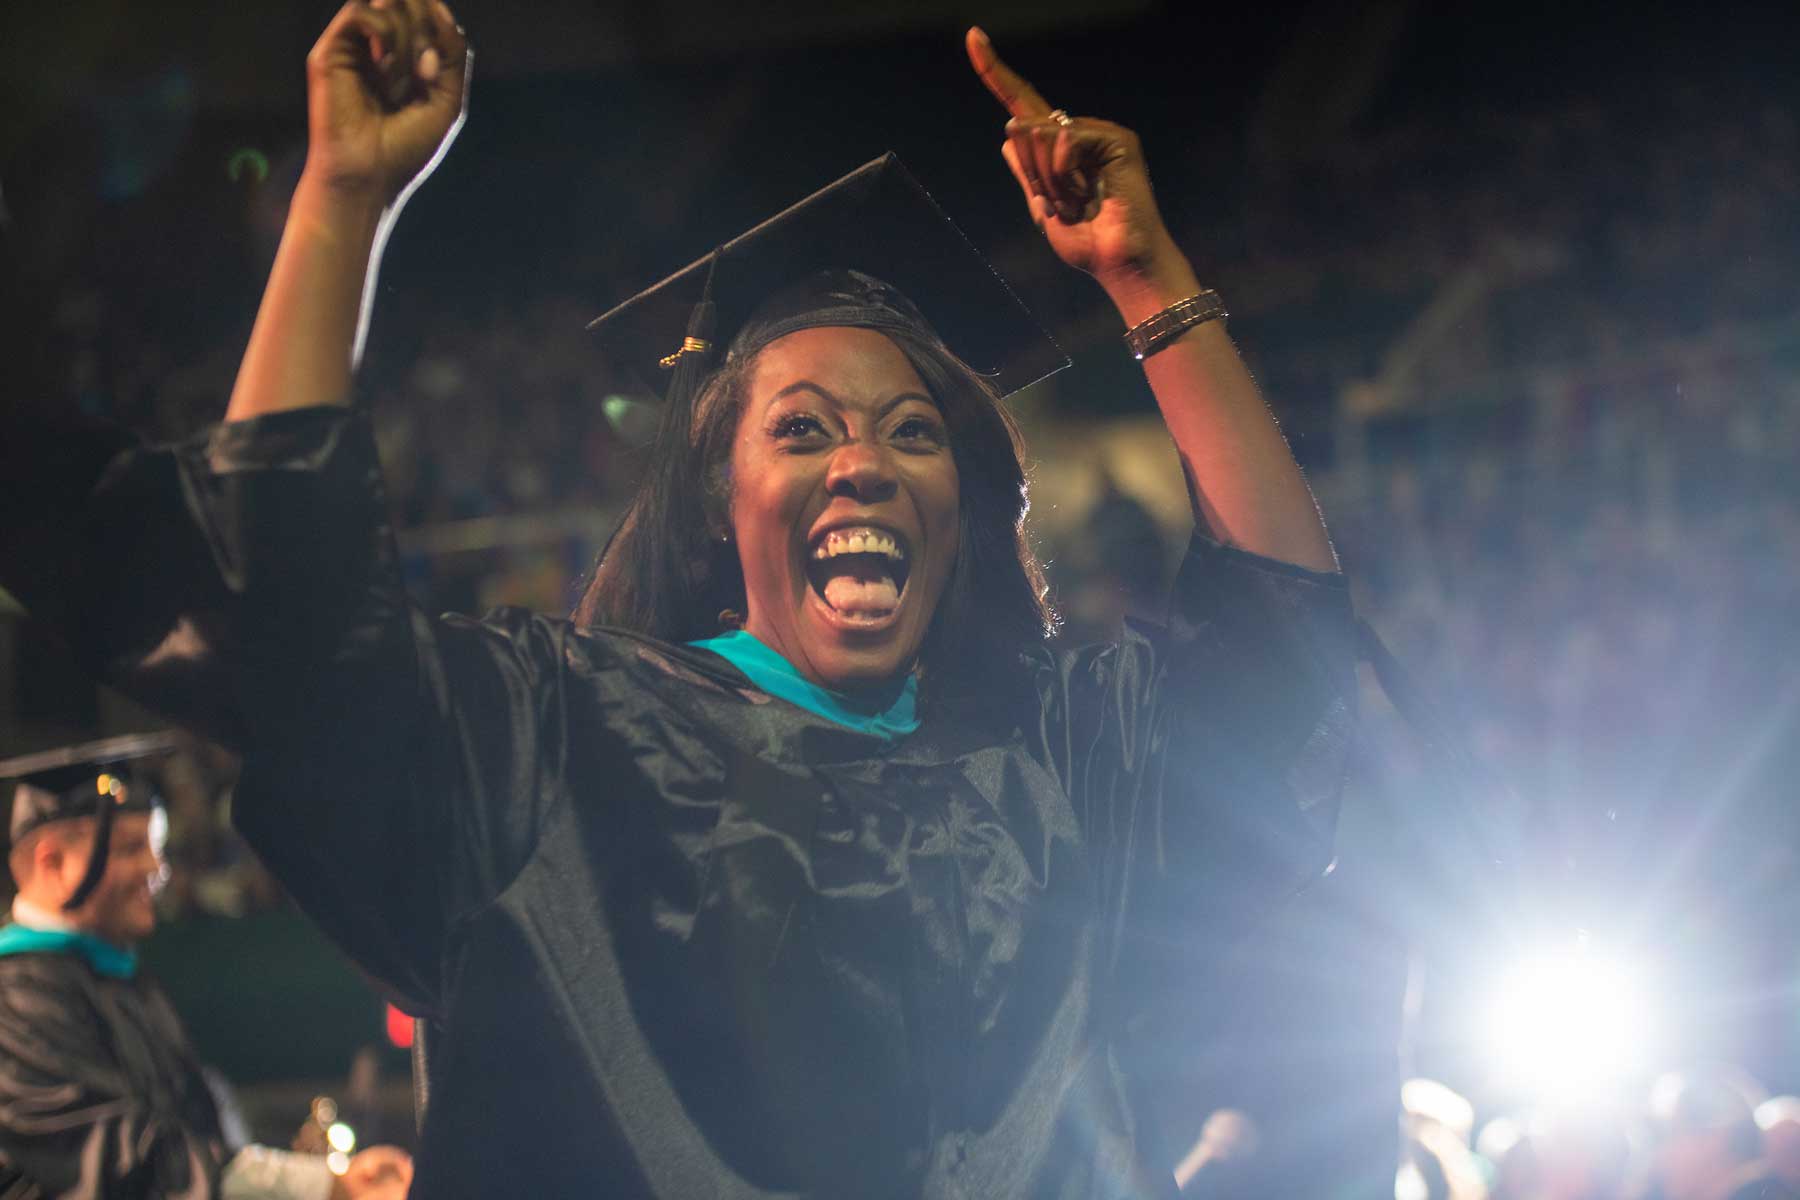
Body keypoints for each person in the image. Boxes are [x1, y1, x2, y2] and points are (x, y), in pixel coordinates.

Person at [0, 2, 1355, 1195]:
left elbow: (1284, 635)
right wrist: (340, 204)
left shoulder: (1060, 752)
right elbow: (288, 615)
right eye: (806, 430)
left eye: (914, 433)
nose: (866, 463)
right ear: (721, 501)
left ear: (967, 501)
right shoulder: (558, 732)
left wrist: (1150, 280)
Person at [0, 739, 414, 1199]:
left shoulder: (117, 977)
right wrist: (318, 1188)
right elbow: (126, 1166)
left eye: (156, 845)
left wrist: (331, 1177)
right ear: (52, 863)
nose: (157, 867)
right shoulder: (15, 999)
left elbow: (193, 1135)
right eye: (130, 848)